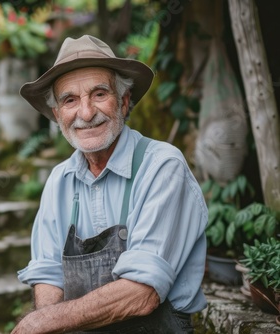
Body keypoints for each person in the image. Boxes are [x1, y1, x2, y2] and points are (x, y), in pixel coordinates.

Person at [12, 35, 208, 333]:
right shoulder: (59, 180)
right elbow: (49, 273)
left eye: (99, 94)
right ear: (57, 114)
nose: (86, 113)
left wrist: (43, 321)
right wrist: (47, 321)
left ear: (124, 101)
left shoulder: (162, 166)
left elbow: (142, 294)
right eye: (70, 100)